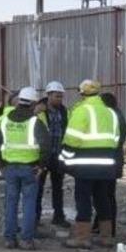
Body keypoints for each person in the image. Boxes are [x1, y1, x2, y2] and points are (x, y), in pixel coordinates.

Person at [60, 80, 121, 249]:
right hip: (106, 165)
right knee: (103, 199)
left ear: (81, 93)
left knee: (83, 200)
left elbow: (72, 139)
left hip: (85, 166)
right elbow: (115, 140)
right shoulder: (110, 112)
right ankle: (106, 237)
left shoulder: (82, 110)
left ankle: (82, 237)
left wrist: (63, 159)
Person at [0, 86, 50, 250]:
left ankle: (9, 239)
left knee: (10, 203)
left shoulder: (5, 120)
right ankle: (26, 240)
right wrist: (41, 166)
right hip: (30, 169)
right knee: (29, 204)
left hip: (10, 168)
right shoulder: (35, 122)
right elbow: (46, 145)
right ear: (33, 103)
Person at [92, 92, 126, 238]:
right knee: (107, 194)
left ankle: (106, 227)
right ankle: (102, 224)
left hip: (107, 161)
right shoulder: (118, 115)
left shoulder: (110, 117)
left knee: (103, 195)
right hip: (114, 161)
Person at [36, 82, 71, 229]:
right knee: (38, 188)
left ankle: (58, 216)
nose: (59, 99)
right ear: (48, 95)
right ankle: (35, 218)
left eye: (61, 96)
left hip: (58, 155)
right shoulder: (38, 110)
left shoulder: (64, 111)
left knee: (58, 188)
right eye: (57, 96)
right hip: (42, 156)